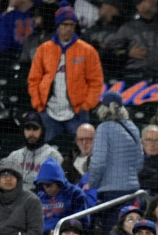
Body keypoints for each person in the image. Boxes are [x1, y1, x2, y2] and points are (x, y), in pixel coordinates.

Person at [27, 1, 103, 142]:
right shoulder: (44, 49)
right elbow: (34, 79)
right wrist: (38, 104)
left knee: (82, 153)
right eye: (64, 24)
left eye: (71, 25)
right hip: (49, 113)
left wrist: (86, 105)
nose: (68, 29)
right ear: (57, 26)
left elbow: (96, 81)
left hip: (77, 113)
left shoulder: (87, 51)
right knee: (46, 152)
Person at [88, 91, 144, 235]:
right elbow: (139, 163)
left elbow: (98, 163)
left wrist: (92, 183)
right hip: (132, 192)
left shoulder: (103, 128)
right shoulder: (133, 128)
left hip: (111, 195)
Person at [105, 0, 158, 78]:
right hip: (135, 76)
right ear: (140, 6)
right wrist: (127, 53)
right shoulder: (127, 28)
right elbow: (110, 53)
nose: (155, 2)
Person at [5, 112, 64, 191]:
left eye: (35, 129)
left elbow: (59, 186)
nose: (31, 133)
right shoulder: (14, 156)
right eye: (28, 129)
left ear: (42, 131)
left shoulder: (53, 155)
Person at [34, 157, 89, 235]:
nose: (46, 188)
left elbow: (82, 222)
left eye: (49, 185)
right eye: (43, 185)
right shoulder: (39, 196)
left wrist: (62, 231)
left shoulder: (75, 194)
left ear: (59, 182)